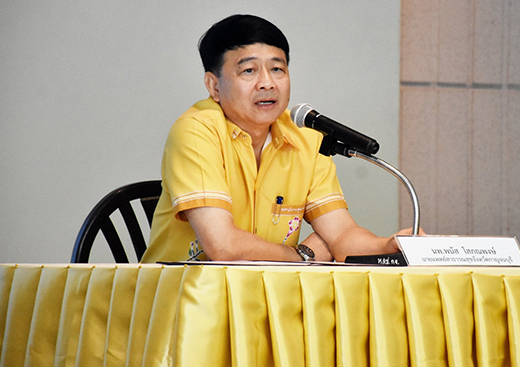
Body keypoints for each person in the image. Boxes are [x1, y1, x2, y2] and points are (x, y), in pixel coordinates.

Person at [141, 14, 413, 263]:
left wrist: (387, 244)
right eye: (249, 71)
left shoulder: (306, 139)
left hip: (265, 293)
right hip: (185, 294)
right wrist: (302, 255)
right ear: (214, 86)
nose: (267, 83)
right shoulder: (196, 131)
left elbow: (341, 236)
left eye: (277, 69)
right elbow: (223, 246)